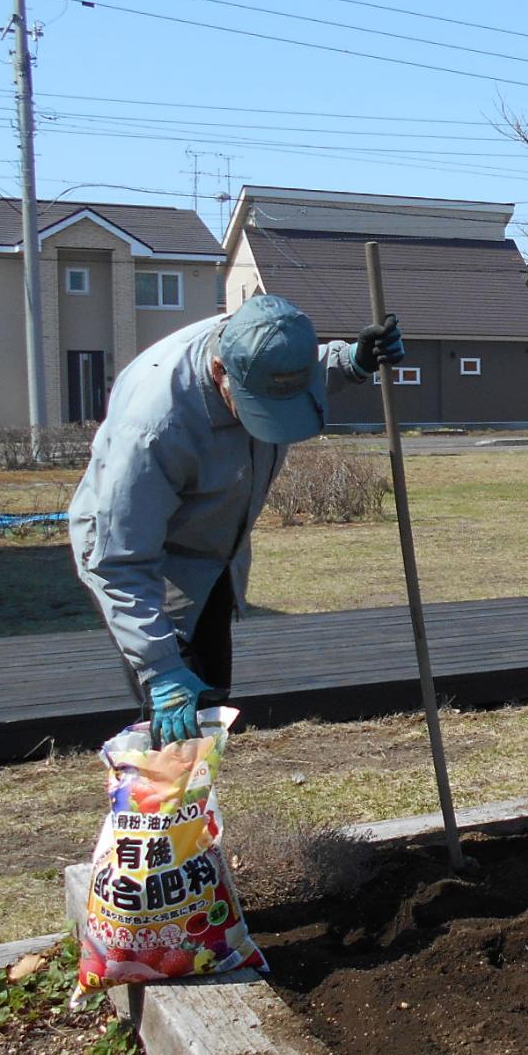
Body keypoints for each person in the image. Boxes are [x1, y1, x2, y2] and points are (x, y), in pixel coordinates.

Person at [69, 294, 403, 744]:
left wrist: (354, 362)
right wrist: (161, 669)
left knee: (212, 707)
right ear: (220, 372)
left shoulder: (260, 342)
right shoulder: (154, 428)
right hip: (147, 564)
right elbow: (119, 561)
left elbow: (296, 368)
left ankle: (201, 801)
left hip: (213, 551)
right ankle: (162, 806)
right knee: (176, 721)